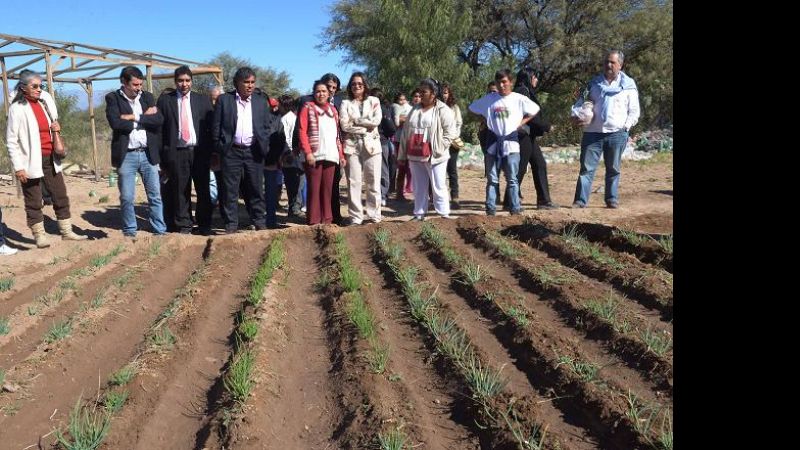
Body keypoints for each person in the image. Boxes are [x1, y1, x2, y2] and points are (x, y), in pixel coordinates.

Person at [5, 70, 87, 247]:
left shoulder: (43, 103)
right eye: (34, 86)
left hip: (50, 157)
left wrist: (55, 127)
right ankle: (39, 235)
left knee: (60, 194)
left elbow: (49, 125)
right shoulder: (17, 108)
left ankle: (66, 231)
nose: (38, 89)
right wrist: (18, 167)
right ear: (23, 87)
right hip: (29, 160)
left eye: (40, 86)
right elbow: (11, 141)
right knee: (33, 199)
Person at [571, 50, 640, 209]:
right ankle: (580, 201)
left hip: (617, 134)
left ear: (620, 65)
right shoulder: (593, 84)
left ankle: (611, 199)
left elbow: (634, 110)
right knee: (586, 169)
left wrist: (626, 127)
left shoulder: (628, 86)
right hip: (592, 134)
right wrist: (576, 115)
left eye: (612, 62)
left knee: (613, 169)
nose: (608, 65)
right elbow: (580, 103)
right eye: (606, 62)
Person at [212, 67, 277, 233]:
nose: (250, 86)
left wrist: (265, 145)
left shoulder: (260, 102)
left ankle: (259, 221)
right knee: (230, 190)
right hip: (231, 151)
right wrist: (219, 147)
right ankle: (231, 225)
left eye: (252, 82)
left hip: (253, 151)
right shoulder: (224, 100)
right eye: (246, 82)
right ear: (237, 83)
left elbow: (266, 126)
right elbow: (216, 127)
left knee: (255, 188)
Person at [469, 69, 540, 216]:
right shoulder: (490, 99)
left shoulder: (518, 98)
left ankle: (514, 208)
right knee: (492, 179)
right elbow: (472, 109)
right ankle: (490, 208)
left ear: (510, 82)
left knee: (512, 179)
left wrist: (521, 123)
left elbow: (535, 109)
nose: (501, 85)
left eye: (504, 82)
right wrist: (485, 120)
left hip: (511, 144)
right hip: (493, 144)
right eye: (498, 82)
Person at [157, 65, 214, 235]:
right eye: (180, 81)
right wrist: (162, 156)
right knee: (181, 190)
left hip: (199, 152)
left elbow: (210, 127)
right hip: (176, 152)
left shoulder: (202, 100)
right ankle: (184, 224)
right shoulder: (165, 101)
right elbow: (160, 130)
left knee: (203, 189)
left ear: (192, 81)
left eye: (187, 80)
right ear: (175, 82)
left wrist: (213, 152)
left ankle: (204, 224)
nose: (184, 84)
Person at [397, 78, 457, 221]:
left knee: (438, 186)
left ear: (433, 93)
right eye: (420, 91)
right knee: (419, 187)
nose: (421, 94)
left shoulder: (443, 110)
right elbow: (406, 132)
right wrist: (402, 154)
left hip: (435, 156)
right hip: (415, 154)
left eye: (424, 92)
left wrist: (438, 147)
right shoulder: (414, 109)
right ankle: (419, 214)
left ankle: (443, 215)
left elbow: (450, 133)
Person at [504, 67, 558, 210]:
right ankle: (509, 201)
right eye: (534, 77)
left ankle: (543, 201)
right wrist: (546, 126)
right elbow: (530, 116)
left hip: (528, 135)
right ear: (529, 78)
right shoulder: (522, 92)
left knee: (539, 164)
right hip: (522, 135)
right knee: (520, 168)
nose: (536, 80)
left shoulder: (525, 91)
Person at [298, 80, 346, 225]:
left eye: (324, 91)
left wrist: (341, 155)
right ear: (314, 93)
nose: (321, 94)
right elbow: (302, 131)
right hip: (314, 155)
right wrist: (307, 153)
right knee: (314, 188)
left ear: (329, 93)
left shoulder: (333, 110)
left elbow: (337, 135)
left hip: (331, 154)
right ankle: (313, 220)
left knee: (327, 189)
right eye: (318, 91)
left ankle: (327, 220)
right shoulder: (308, 107)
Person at [339, 72, 383, 225]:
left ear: (365, 85)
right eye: (353, 84)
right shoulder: (345, 103)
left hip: (372, 146)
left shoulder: (374, 101)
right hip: (352, 146)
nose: (357, 86)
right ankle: (356, 218)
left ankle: (374, 216)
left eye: (360, 84)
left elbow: (376, 121)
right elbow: (345, 125)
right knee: (354, 182)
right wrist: (365, 126)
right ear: (350, 86)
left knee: (373, 182)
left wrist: (356, 121)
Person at [278, 95, 305, 217]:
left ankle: (294, 207)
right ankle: (294, 207)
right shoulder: (290, 118)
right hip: (292, 154)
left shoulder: (287, 119)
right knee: (295, 182)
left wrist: (288, 153)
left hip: (291, 155)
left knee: (294, 182)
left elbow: (288, 138)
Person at [370, 87, 396, 207]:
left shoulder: (379, 109)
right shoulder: (383, 108)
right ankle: (381, 195)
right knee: (382, 169)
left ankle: (381, 195)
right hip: (381, 141)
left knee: (377, 169)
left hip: (378, 142)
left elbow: (390, 128)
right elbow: (391, 128)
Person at [441, 83, 464, 208]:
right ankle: (441, 199)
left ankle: (455, 197)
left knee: (452, 170)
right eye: (442, 92)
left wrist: (453, 136)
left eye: (446, 92)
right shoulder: (435, 107)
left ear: (449, 94)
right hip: (439, 144)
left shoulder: (454, 108)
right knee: (440, 171)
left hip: (452, 143)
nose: (444, 95)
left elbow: (458, 124)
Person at [392, 92, 414, 200]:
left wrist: (405, 118)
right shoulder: (395, 108)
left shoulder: (411, 108)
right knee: (401, 166)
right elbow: (397, 121)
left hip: (412, 140)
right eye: (400, 99)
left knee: (411, 166)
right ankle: (399, 192)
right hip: (399, 140)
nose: (402, 102)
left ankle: (409, 187)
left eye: (404, 99)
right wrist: (404, 119)